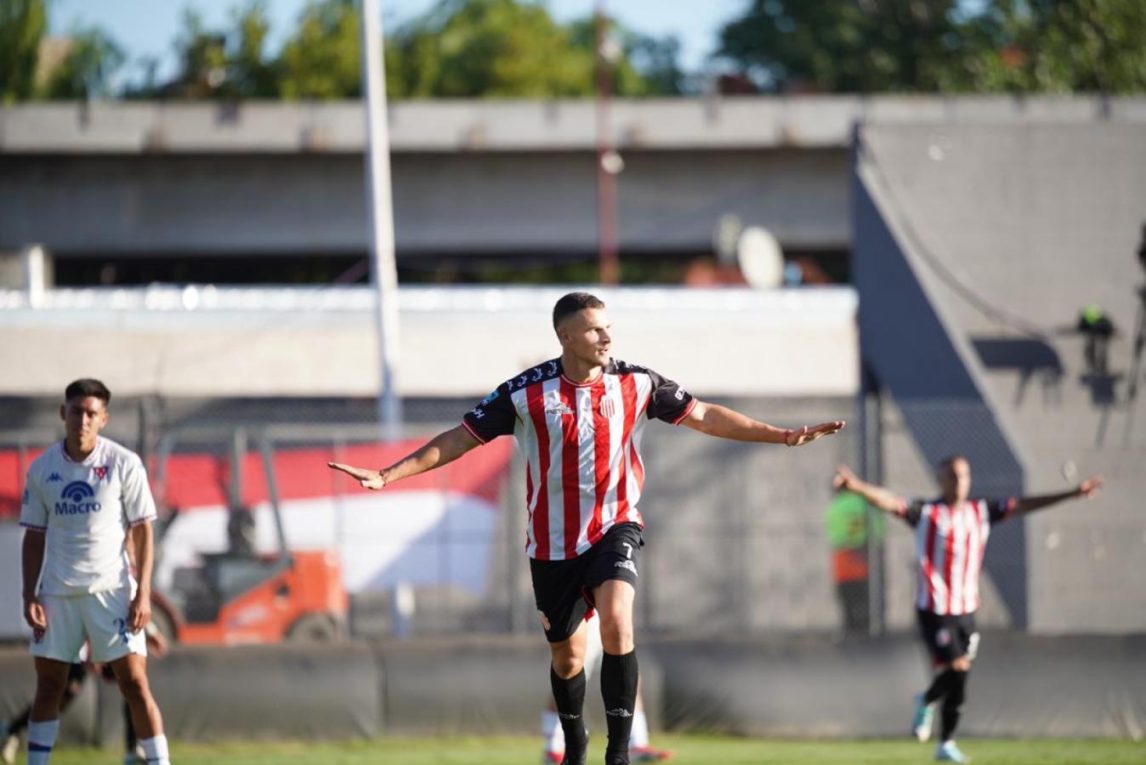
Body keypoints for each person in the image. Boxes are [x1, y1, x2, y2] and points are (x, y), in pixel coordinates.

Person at [330, 292, 844, 765]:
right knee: (569, 655)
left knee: (619, 619)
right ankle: (573, 742)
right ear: (566, 337)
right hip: (551, 544)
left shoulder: (639, 383)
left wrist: (780, 435)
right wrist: (387, 474)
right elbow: (460, 439)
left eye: (608, 328)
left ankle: (618, 752)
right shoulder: (526, 393)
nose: (607, 338)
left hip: (614, 526)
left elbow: (705, 415)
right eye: (595, 330)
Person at [833, 457, 1101, 763]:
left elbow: (1024, 505)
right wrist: (856, 487)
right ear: (941, 480)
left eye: (964, 476)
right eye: (953, 477)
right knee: (958, 667)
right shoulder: (927, 513)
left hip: (966, 610)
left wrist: (1072, 493)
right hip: (934, 609)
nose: (960, 482)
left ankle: (943, 738)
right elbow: (889, 501)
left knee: (959, 677)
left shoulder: (980, 512)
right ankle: (930, 709)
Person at [18, 379, 171, 765]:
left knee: (135, 683)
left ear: (103, 418)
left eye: (91, 414)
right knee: (50, 686)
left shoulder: (123, 463)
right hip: (58, 593)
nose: (82, 420)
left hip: (112, 592)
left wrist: (143, 593)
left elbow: (143, 530)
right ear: (62, 414)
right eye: (75, 411)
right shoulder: (41, 470)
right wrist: (29, 594)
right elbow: (34, 537)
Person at [540, 612, 671, 763]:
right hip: (585, 618)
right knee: (568, 677)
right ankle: (553, 747)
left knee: (628, 676)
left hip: (610, 617)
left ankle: (637, 743)